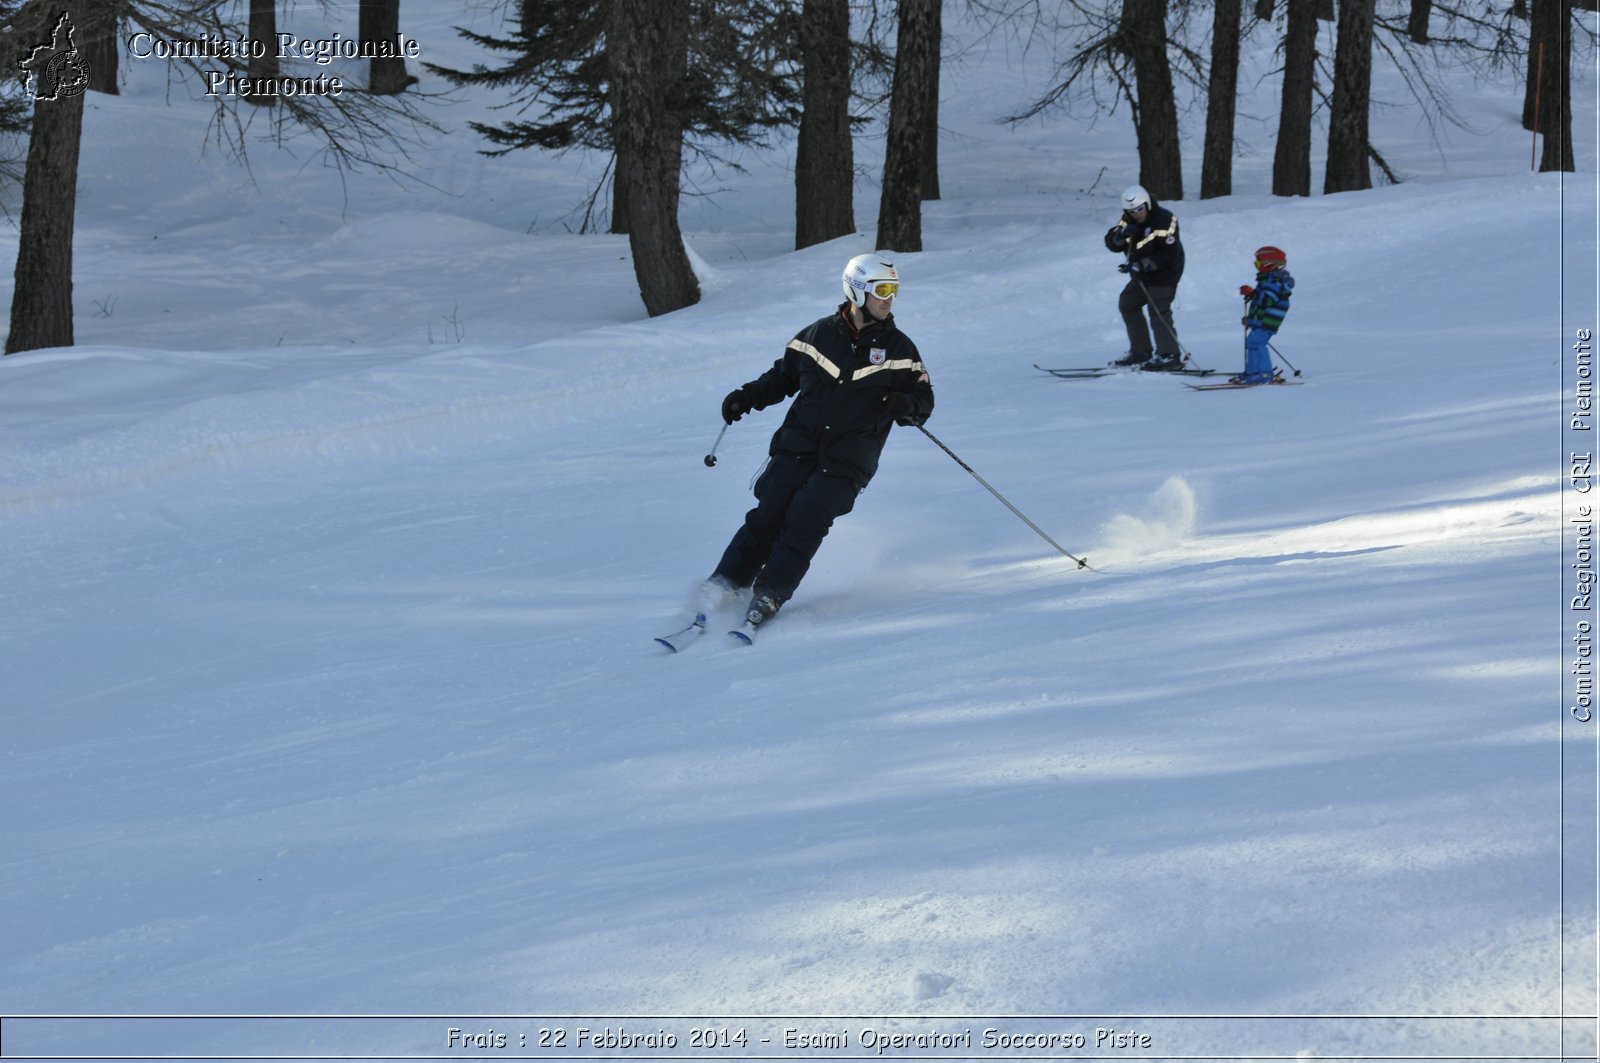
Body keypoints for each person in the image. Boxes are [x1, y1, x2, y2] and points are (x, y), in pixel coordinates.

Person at [698, 252, 935, 632]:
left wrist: (906, 404)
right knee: (769, 514)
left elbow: (924, 401)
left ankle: (771, 591)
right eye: (882, 290)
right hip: (798, 445)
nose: (890, 298)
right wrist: (746, 397)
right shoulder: (818, 335)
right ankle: (724, 583)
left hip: (848, 459)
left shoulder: (901, 351)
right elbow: (781, 378)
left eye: (895, 290)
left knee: (807, 517)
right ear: (857, 291)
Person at [1103, 183, 1186, 371]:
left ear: (1147, 204)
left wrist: (1142, 264)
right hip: (1143, 274)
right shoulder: (1128, 219)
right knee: (1128, 303)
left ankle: (1169, 356)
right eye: (1131, 211)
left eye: (1140, 209)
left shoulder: (1165, 219)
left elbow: (1169, 255)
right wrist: (1119, 236)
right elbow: (1112, 242)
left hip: (1166, 272)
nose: (1136, 214)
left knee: (1158, 309)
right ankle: (1141, 351)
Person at [1233, 245, 1294, 385]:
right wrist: (1251, 319)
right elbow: (1260, 303)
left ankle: (1264, 373)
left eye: (1258, 263)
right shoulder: (1267, 281)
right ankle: (1253, 371)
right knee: (1252, 343)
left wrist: (1252, 293)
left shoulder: (1275, 281)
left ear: (1269, 264)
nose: (1256, 266)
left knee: (1256, 343)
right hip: (1262, 321)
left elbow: (1267, 300)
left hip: (1269, 321)